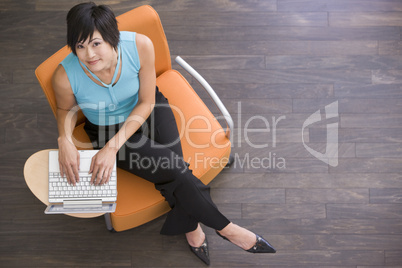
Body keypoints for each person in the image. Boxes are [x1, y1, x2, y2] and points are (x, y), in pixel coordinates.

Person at [52, 2, 276, 265]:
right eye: (80, 46)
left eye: (96, 43)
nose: (89, 54)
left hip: (148, 107)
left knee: (174, 169)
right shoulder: (64, 76)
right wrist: (64, 139)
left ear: (112, 36)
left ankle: (192, 226)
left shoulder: (140, 46)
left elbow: (146, 101)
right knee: (177, 169)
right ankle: (227, 229)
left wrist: (112, 149)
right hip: (105, 128)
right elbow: (63, 110)